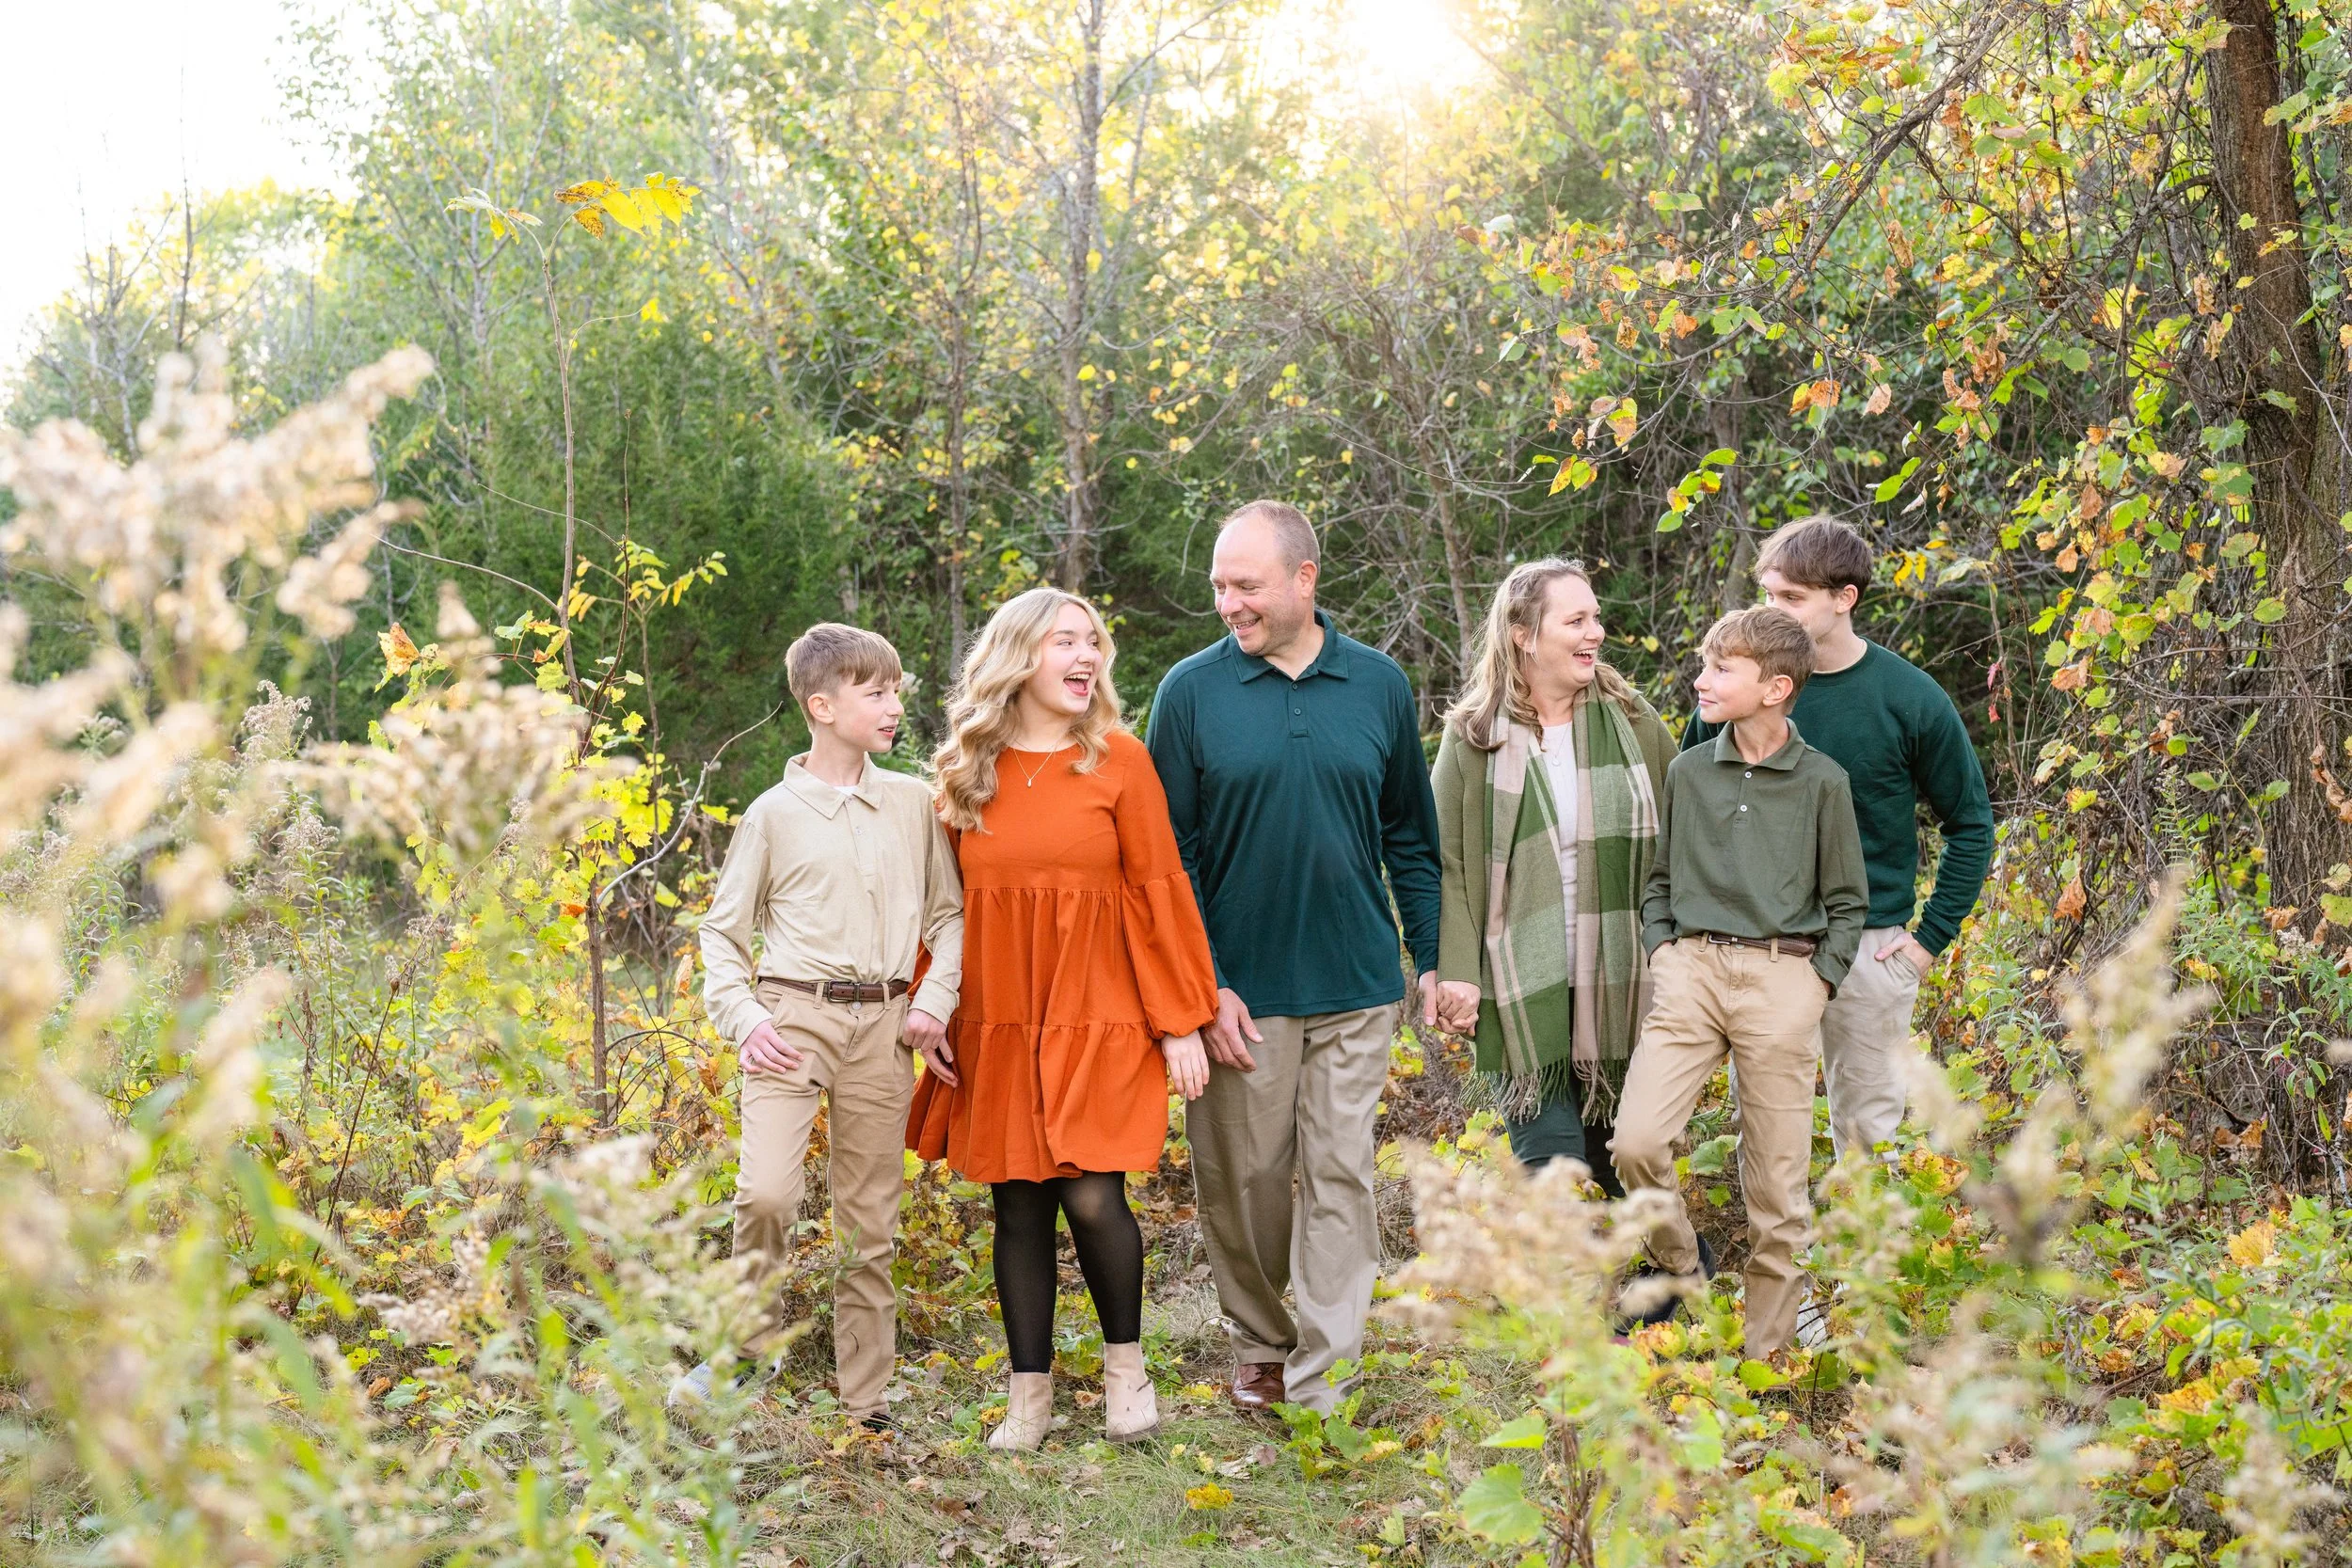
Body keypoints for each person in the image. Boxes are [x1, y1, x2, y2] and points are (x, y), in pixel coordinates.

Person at [1146, 499, 1445, 1416]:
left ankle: (1324, 1376)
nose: (1228, 602)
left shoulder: (1379, 684)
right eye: (1218, 586)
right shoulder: (1189, 693)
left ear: (1303, 579)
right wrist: (1203, 986)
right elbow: (1167, 857)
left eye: (1246, 585)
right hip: (1242, 991)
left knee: (1342, 1172)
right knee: (1246, 1178)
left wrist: (1429, 958)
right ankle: (1260, 1337)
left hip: (1357, 979)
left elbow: (1409, 834)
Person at [906, 588, 1217, 1449]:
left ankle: (1127, 1371)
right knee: (1018, 1204)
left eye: (1094, 642)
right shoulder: (968, 769)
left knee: (1091, 1192)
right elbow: (948, 906)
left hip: (1101, 1010)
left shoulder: (1118, 760)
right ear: (1019, 658)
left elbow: (1158, 893)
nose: (1087, 657)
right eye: (1065, 642)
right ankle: (1029, 1396)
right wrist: (935, 1009)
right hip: (1001, 1011)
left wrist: (1180, 1018)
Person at [681, 624, 964, 1427]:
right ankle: (744, 1351)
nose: (893, 704)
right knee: (767, 1190)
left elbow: (950, 915)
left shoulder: (911, 801)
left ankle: (866, 1399)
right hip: (791, 1017)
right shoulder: (773, 815)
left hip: (885, 1024)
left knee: (869, 1218)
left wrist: (934, 997)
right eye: (876, 691)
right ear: (822, 704)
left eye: (897, 689)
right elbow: (722, 933)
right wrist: (743, 1018)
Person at [1680, 515, 1994, 1158]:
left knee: (1868, 1127)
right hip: (1761, 944)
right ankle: (1780, 1255)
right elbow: (1685, 809)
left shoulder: (1909, 697)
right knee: (1764, 1125)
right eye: (1768, 594)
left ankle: (1862, 1254)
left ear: (1844, 597)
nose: (1775, 611)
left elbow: (1969, 822)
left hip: (1871, 948)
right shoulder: (1740, 690)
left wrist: (1927, 940)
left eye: (1792, 598)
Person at [1612, 606, 1868, 1362]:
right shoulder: (1689, 770)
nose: (1702, 679)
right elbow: (1660, 879)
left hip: (1784, 979)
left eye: (1722, 668)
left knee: (1778, 1192)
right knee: (1636, 1142)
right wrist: (1665, 950)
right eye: (1705, 662)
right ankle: (1683, 1269)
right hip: (1691, 971)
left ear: (1775, 687)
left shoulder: (1824, 781)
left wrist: (1817, 981)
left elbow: (1850, 900)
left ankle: (1764, 1362)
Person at [1429, 560, 1676, 1189]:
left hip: (1621, 978)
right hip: (1519, 982)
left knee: (1625, 1170)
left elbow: (1682, 836)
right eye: (1576, 620)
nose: (1595, 632)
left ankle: (1677, 1281)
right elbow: (1450, 864)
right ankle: (1568, 1290)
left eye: (1596, 617)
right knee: (1553, 1174)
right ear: (1523, 634)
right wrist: (1455, 969)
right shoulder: (1473, 737)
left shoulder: (1634, 720)